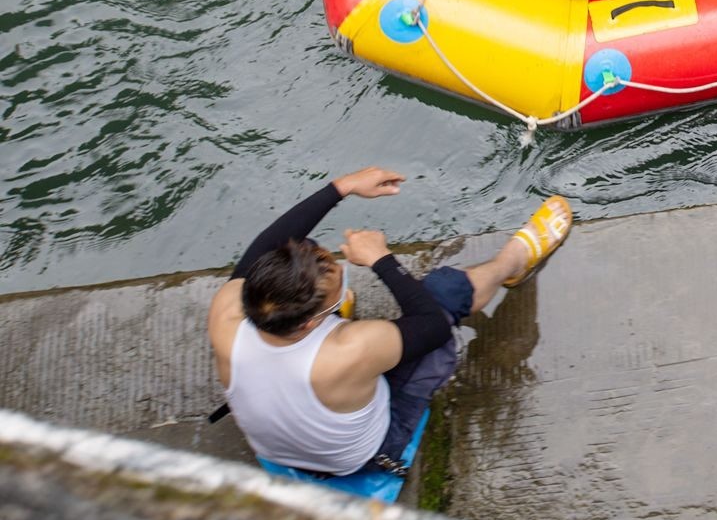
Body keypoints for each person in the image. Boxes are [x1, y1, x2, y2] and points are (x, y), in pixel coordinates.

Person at [206, 167, 571, 477]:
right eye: (337, 278)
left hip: (276, 449)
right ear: (309, 324)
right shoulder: (354, 348)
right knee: (444, 292)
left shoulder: (226, 314)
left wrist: (343, 186)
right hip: (360, 456)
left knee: (297, 256)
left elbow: (272, 242)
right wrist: (381, 259)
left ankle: (331, 305)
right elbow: (431, 325)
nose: (341, 265)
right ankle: (514, 262)